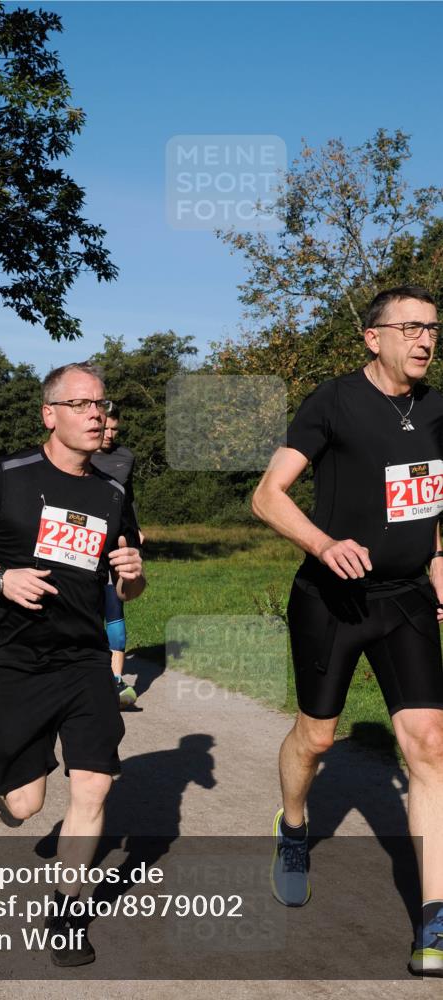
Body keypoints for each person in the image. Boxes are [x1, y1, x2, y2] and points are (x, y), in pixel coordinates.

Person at [252, 286, 443, 977]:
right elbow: (266, 496)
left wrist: (439, 562)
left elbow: (431, 496)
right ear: (373, 337)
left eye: (432, 328)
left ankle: (434, 919)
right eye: (410, 327)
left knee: (430, 745)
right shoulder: (333, 402)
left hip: (408, 598)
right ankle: (293, 825)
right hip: (333, 600)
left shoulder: (438, 408)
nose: (425, 339)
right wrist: (324, 543)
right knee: (318, 738)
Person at [0, 361, 145, 966]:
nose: (95, 414)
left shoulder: (112, 491)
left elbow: (128, 586)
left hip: (84, 658)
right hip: (19, 658)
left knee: (94, 785)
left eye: (100, 404)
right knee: (26, 805)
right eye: (80, 404)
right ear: (49, 414)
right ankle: (7, 791)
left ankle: (68, 912)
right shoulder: (7, 476)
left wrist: (133, 577)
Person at [91, 406, 143, 707]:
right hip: (87, 543)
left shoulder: (126, 457)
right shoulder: (82, 455)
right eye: (105, 428)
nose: (109, 434)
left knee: (115, 607)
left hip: (118, 541)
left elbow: (129, 496)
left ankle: (116, 679)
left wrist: (136, 528)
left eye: (115, 429)